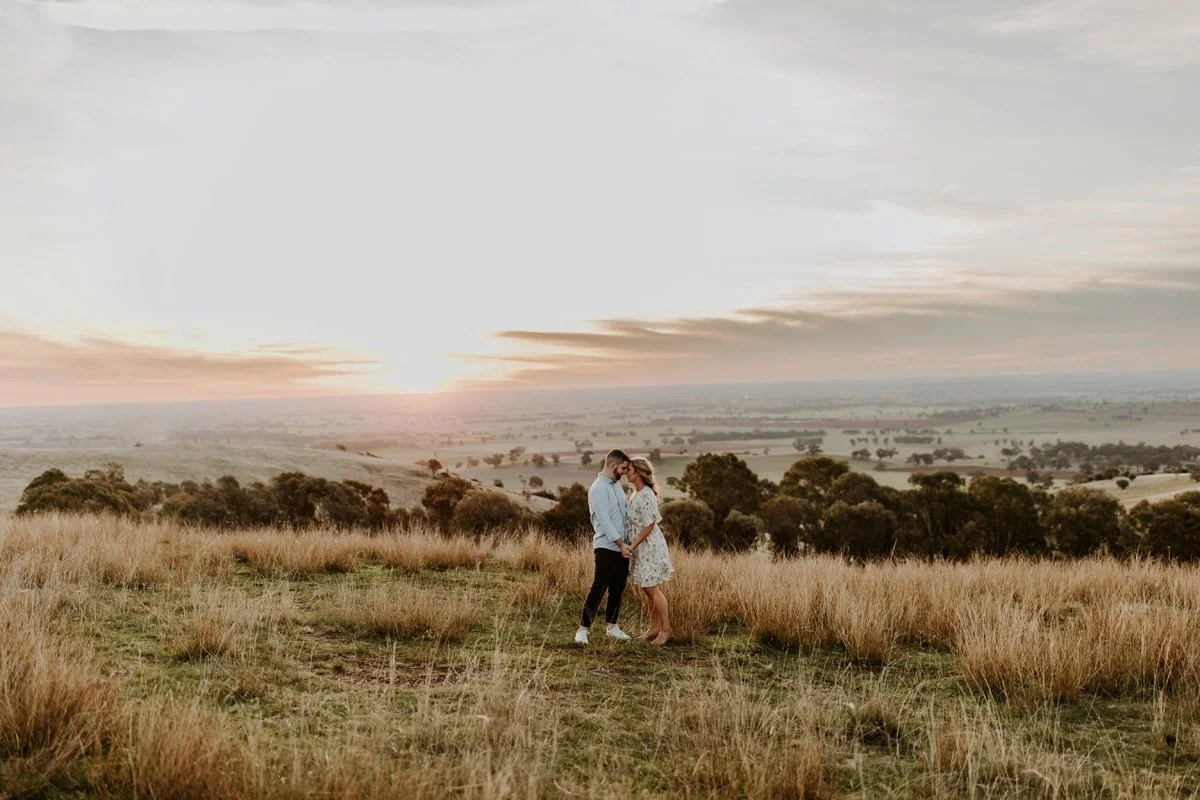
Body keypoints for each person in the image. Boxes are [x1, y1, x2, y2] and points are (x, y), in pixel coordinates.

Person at [575, 449, 633, 645]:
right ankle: (583, 630)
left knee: (618, 588)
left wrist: (628, 544)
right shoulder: (598, 488)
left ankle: (612, 627)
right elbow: (605, 521)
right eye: (623, 468)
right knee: (599, 587)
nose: (624, 472)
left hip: (623, 547)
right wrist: (620, 544)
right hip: (606, 546)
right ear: (613, 465)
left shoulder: (617, 486)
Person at [626, 457, 675, 645]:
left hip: (649, 546)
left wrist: (633, 545)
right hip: (641, 547)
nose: (626, 472)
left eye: (629, 469)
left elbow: (649, 525)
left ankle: (666, 631)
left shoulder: (646, 495)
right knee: (647, 588)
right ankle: (653, 629)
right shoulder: (635, 493)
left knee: (651, 588)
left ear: (639, 472)